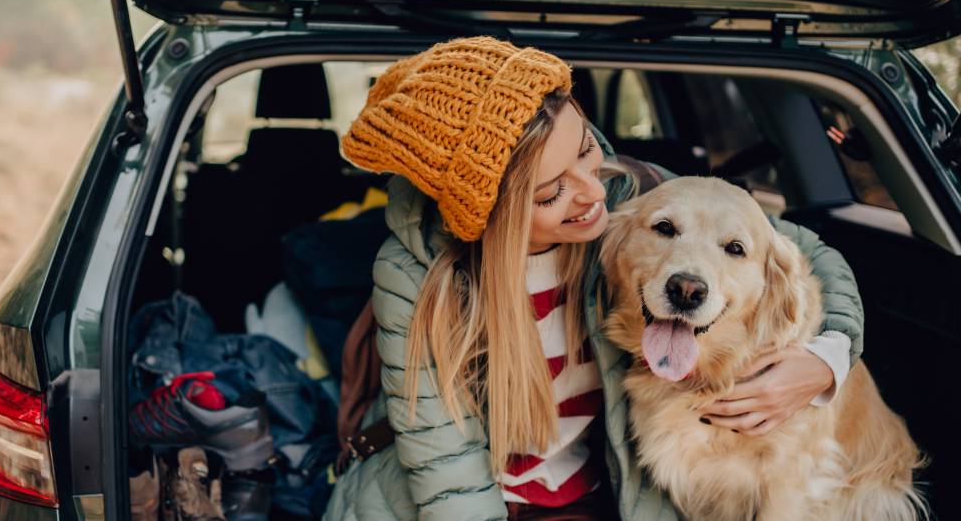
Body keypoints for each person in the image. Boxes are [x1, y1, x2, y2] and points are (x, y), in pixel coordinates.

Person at [322, 37, 862, 520]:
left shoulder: (631, 194)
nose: (593, 192)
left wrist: (828, 358)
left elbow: (805, 251)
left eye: (586, 150)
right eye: (551, 191)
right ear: (488, 215)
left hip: (595, 493)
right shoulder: (415, 276)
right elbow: (446, 468)